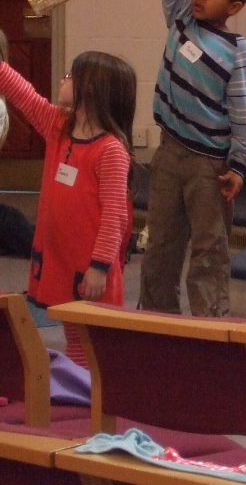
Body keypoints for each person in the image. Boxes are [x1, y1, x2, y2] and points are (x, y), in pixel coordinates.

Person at [133, 0, 246, 317]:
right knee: (160, 245)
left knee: (208, 251)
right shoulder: (183, 17)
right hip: (169, 155)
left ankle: (208, 331)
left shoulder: (237, 50)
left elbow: (243, 112)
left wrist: (239, 164)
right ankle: (157, 324)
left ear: (234, 5)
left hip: (210, 167)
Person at [0, 33, 136, 366]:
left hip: (88, 264)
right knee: (73, 331)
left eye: (70, 76)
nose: (63, 79)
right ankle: (81, 387)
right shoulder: (60, 125)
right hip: (60, 254)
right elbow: (27, 98)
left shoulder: (110, 150)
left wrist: (100, 267)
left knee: (90, 337)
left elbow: (114, 215)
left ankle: (92, 391)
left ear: (90, 91)